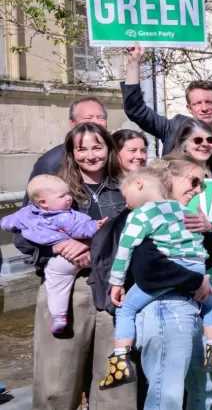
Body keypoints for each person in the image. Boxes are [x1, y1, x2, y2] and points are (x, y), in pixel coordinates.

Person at [90, 156, 212, 410]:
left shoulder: (183, 215)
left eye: (202, 185)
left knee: (205, 384)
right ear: (167, 177)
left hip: (191, 309)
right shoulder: (143, 214)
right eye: (194, 181)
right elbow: (148, 269)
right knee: (167, 393)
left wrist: (209, 230)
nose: (198, 190)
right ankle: (120, 358)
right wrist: (196, 280)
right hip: (164, 310)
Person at [26, 123, 136, 410]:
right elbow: (22, 231)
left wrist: (95, 249)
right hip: (66, 290)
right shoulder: (55, 187)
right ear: (72, 153)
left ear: (109, 149)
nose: (90, 155)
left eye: (97, 147)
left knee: (116, 381)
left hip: (115, 288)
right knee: (57, 383)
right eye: (82, 149)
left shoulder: (128, 188)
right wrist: (58, 246)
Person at [122, 42, 212, 174]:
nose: (204, 108)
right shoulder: (174, 128)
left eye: (209, 102)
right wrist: (133, 65)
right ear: (189, 108)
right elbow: (135, 110)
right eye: (197, 103)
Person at [2, 175, 101, 334]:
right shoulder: (67, 215)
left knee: (56, 285)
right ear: (43, 202)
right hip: (74, 255)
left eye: (68, 193)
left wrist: (5, 223)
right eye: (62, 196)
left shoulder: (26, 214)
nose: (69, 198)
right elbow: (80, 230)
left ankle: (59, 316)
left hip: (59, 259)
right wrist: (96, 226)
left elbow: (8, 222)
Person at [29, 97, 108, 180]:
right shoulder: (50, 163)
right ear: (72, 123)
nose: (97, 122)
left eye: (101, 117)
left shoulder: (116, 155)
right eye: (88, 118)